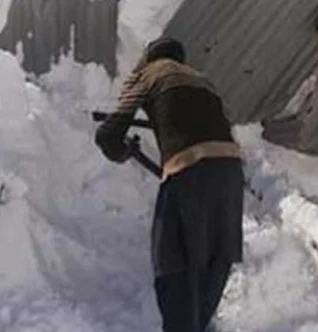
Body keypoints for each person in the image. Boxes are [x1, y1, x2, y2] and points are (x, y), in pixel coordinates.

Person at [94, 37, 244, 332]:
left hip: (188, 168)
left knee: (173, 259)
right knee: (216, 254)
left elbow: (108, 135)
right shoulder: (205, 82)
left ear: (150, 58)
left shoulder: (149, 74)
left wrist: (122, 150)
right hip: (230, 171)